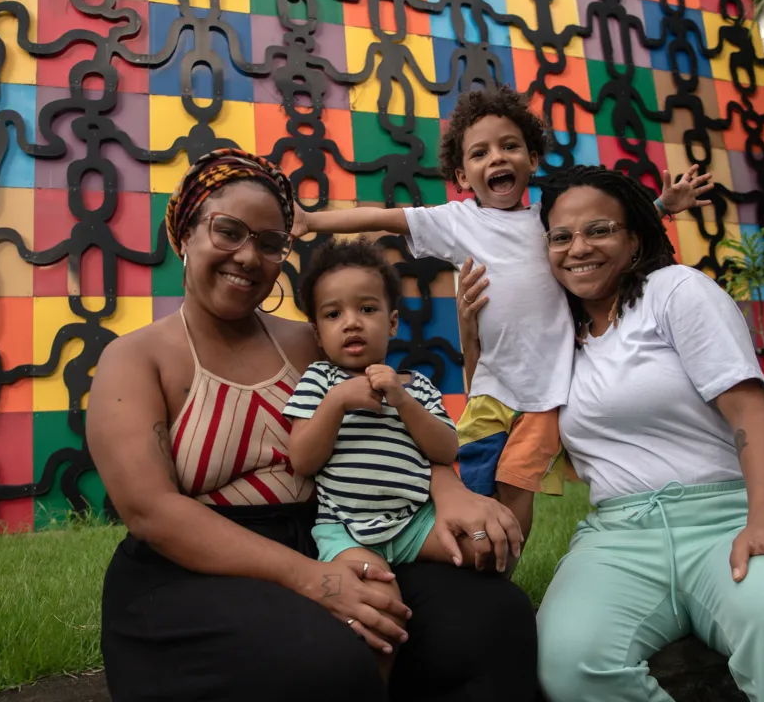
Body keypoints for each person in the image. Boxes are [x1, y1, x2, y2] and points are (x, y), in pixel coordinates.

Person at [86, 149, 538, 702]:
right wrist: (312, 580)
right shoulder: (134, 360)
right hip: (191, 570)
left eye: (271, 242)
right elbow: (150, 511)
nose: (249, 256)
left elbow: (398, 422)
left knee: (496, 620)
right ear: (184, 233)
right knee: (329, 661)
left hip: (332, 532)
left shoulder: (312, 343)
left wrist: (447, 492)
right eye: (228, 231)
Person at [457, 165, 764, 701]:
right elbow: (498, 406)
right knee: (567, 661)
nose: (578, 247)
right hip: (618, 538)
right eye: (560, 237)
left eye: (599, 230)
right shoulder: (555, 336)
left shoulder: (673, 291)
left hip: (725, 517)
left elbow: (750, 411)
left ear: (635, 239)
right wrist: (473, 333)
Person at [291, 85, 713, 540]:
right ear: (462, 174)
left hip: (547, 394)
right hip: (491, 387)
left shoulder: (551, 220)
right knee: (470, 482)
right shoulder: (460, 221)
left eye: (510, 146)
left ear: (532, 159)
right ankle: (469, 560)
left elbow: (604, 223)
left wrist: (663, 207)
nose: (497, 158)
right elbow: (386, 218)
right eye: (480, 153)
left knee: (516, 488)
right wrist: (312, 221)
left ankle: (504, 570)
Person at [285, 238, 480, 680]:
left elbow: (445, 450)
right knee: (378, 615)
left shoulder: (418, 385)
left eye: (367, 310)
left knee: (479, 547)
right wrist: (336, 403)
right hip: (348, 530)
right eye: (333, 314)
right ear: (317, 333)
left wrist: (402, 401)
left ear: (392, 322)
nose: (351, 323)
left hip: (415, 521)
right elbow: (302, 459)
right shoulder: (319, 382)